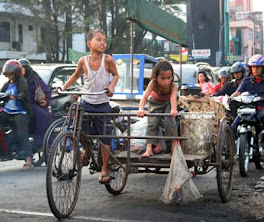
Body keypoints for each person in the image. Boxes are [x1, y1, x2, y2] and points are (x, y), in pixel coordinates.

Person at [61, 29, 119, 184]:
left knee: (104, 138)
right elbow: (75, 75)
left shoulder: (108, 60)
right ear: (89, 43)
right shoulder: (83, 61)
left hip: (102, 104)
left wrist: (111, 87)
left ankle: (105, 168)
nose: (103, 43)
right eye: (99, 39)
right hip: (86, 102)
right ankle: (86, 150)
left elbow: (116, 75)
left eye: (104, 40)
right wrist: (64, 87)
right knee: (80, 132)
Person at [137, 60, 178, 158]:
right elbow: (145, 97)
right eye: (163, 78)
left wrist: (173, 109)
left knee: (170, 121)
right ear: (156, 77)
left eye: (169, 78)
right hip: (155, 103)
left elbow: (173, 99)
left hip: (168, 103)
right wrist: (141, 109)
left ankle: (174, 147)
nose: (166, 81)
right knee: (152, 123)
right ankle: (149, 148)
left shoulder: (173, 86)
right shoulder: (153, 83)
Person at [0, 60, 33, 170]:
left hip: (21, 111)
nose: (9, 76)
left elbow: (23, 93)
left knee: (22, 134)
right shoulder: (7, 84)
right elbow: (1, 93)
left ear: (16, 73)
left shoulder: (22, 81)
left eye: (11, 74)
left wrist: (16, 97)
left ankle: (28, 160)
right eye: (7, 74)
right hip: (8, 110)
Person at [18, 58, 53, 153]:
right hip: (18, 103)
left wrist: (46, 101)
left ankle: (43, 142)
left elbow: (46, 91)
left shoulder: (35, 79)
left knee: (41, 114)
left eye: (23, 68)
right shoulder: (16, 79)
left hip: (33, 104)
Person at [231, 54, 264, 134]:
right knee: (233, 126)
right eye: (253, 67)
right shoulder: (246, 81)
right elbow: (238, 92)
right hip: (247, 108)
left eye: (258, 67)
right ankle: (234, 145)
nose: (255, 69)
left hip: (261, 108)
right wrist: (231, 97)